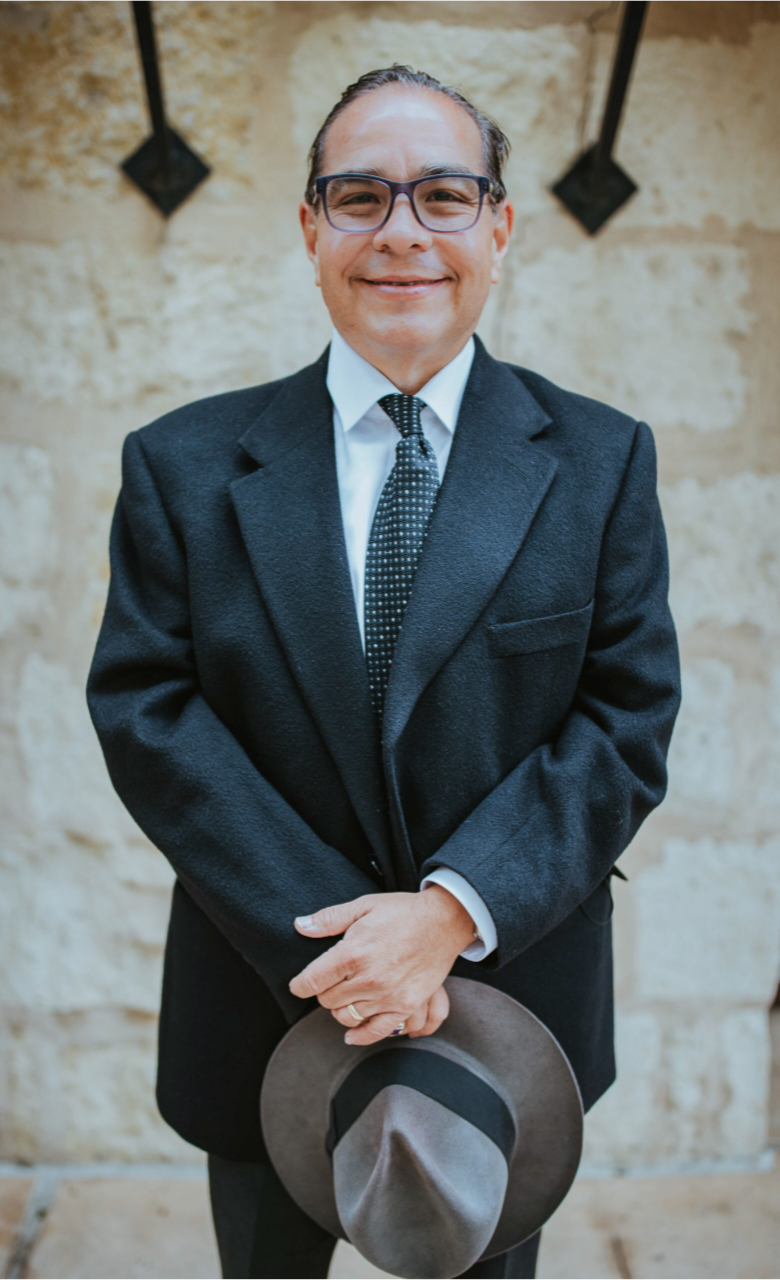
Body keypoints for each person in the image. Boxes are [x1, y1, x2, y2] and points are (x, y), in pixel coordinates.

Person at [87, 65, 681, 1280]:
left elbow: (624, 718)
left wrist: (449, 914)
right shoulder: (183, 465)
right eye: (359, 196)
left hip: (508, 1004)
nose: (402, 230)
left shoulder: (603, 461)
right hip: (263, 996)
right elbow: (149, 711)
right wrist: (353, 949)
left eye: (444, 195)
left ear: (498, 228)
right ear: (311, 229)